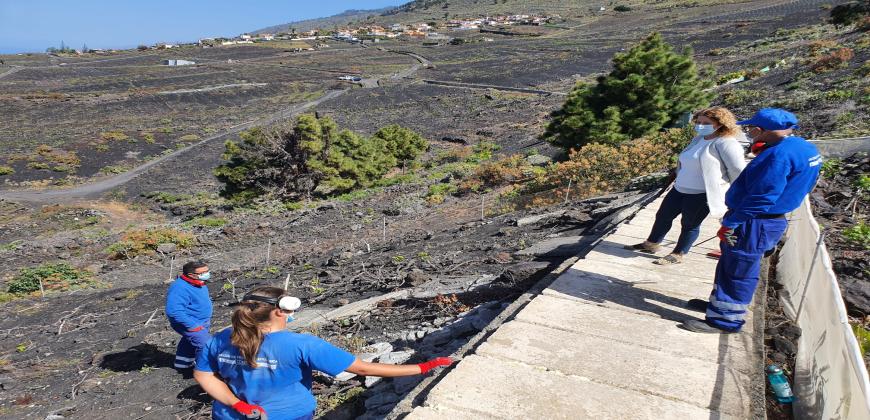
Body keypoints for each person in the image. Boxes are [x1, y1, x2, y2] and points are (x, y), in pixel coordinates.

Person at [194, 286, 454, 419]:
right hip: (288, 414)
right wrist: (422, 367)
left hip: (229, 414)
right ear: (280, 311)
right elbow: (362, 368)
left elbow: (203, 375)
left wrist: (237, 403)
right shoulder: (301, 344)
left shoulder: (221, 338)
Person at [682, 108, 822, 333]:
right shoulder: (804, 147)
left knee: (739, 269)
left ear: (760, 129)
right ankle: (719, 305)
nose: (749, 131)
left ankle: (725, 321)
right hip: (766, 220)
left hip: (755, 222)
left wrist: (733, 222)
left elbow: (762, 196)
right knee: (730, 265)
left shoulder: (777, 156)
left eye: (751, 128)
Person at [625, 107, 746, 264]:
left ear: (720, 124)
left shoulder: (726, 143)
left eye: (706, 123)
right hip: (680, 188)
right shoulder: (698, 139)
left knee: (690, 224)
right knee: (663, 216)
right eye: (699, 122)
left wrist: (734, 193)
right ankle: (652, 244)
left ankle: (678, 253)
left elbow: (737, 170)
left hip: (702, 193)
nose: (701, 125)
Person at [166, 261, 213, 371]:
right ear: (191, 275)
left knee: (188, 342)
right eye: (203, 272)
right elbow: (174, 311)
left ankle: (182, 365)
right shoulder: (180, 288)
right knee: (206, 344)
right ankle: (204, 370)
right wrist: (192, 326)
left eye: (207, 271)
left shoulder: (199, 282)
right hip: (190, 322)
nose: (207, 274)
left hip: (201, 320)